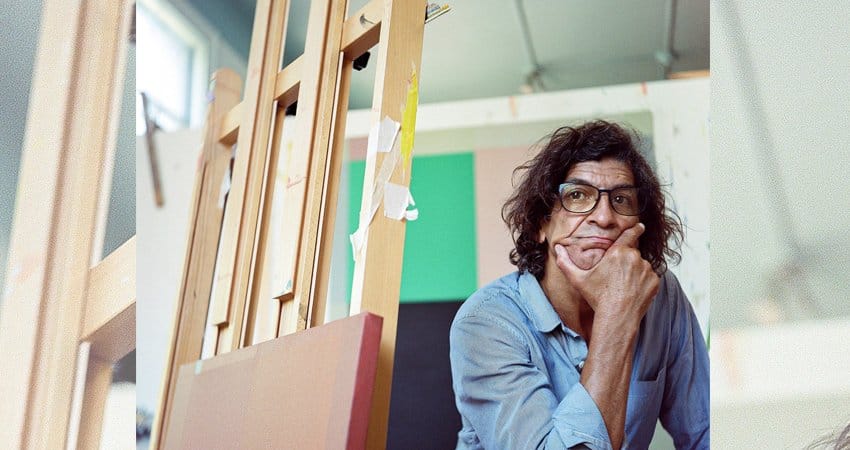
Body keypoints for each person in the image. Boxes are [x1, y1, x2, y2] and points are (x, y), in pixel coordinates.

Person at [449, 120, 709, 449]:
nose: (604, 217)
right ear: (540, 225)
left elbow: (706, 429)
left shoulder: (660, 293)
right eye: (577, 195)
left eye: (621, 200)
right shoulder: (486, 322)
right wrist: (617, 316)